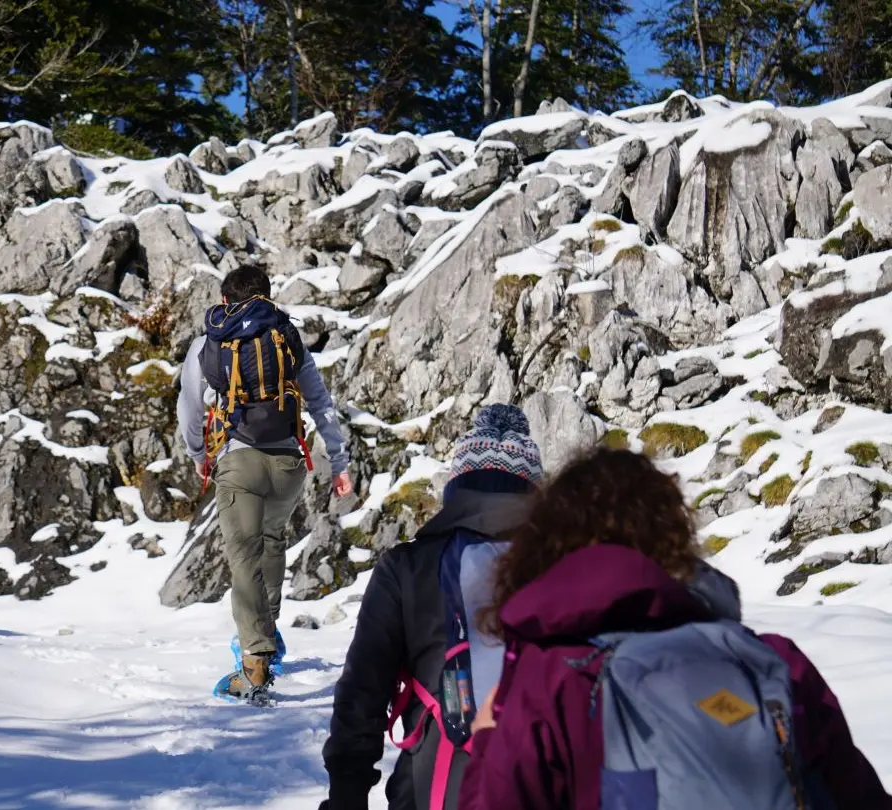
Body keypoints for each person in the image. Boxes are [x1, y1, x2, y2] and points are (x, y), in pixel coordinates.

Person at [459, 447, 892, 810]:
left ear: (547, 547)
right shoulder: (774, 661)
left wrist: (486, 739)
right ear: (672, 539)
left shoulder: (549, 677)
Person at [319, 404, 544, 810]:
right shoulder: (568, 568)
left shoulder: (407, 567)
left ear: (456, 488)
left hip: (433, 791)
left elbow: (362, 691)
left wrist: (346, 794)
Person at [177, 265, 353, 703]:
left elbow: (189, 409)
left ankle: (254, 666)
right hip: (289, 464)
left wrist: (200, 456)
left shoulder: (209, 343)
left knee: (243, 559)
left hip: (239, 462)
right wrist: (340, 461)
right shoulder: (286, 339)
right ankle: (267, 636)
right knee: (273, 545)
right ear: (268, 298)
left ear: (224, 301)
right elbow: (321, 403)